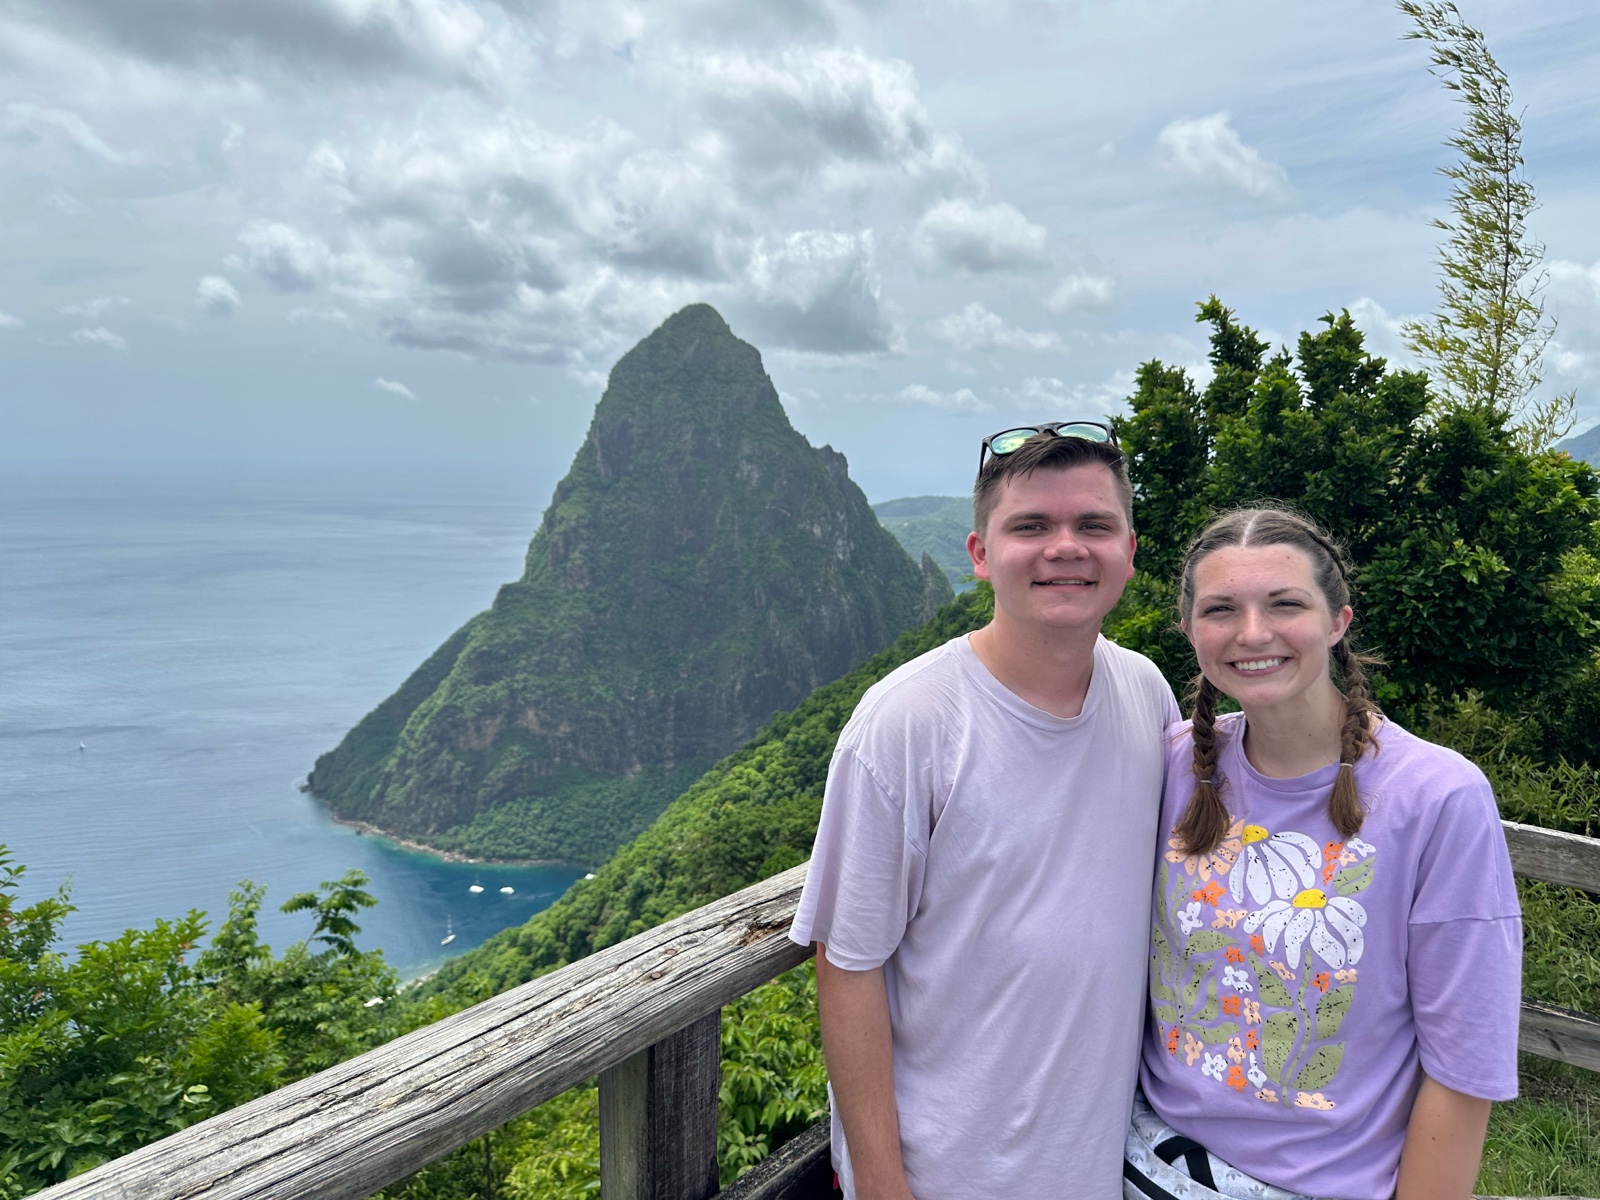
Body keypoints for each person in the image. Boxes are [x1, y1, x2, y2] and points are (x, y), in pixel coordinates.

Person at [790, 423, 1181, 1199]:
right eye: (1030, 526)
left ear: (1129, 552)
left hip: (1098, 1165)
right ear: (980, 553)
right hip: (947, 1173)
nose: (1065, 548)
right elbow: (848, 966)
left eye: (1094, 525)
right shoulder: (906, 723)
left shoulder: (1146, 693)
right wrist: (883, 1185)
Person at [1127, 508, 1522, 1200]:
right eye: (1221, 609)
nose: (1253, 633)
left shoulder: (1436, 797)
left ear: (1338, 621)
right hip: (1136, 1158)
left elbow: (1465, 1066)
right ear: (1189, 631)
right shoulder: (1169, 766)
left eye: (1285, 604)